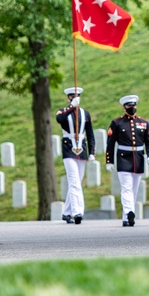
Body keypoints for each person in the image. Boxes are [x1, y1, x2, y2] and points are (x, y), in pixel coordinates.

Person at [106, 94, 149, 227]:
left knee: (134, 190)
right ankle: (129, 212)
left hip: (138, 158)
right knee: (126, 188)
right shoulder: (117, 123)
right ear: (124, 108)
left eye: (133, 105)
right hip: (123, 158)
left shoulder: (143, 123)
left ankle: (126, 218)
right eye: (129, 106)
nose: (132, 108)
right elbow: (110, 143)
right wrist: (109, 161)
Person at [56, 86, 96, 224]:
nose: (75, 97)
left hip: (82, 149)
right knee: (73, 180)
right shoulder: (63, 112)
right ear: (68, 98)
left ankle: (66, 213)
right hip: (68, 148)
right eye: (72, 96)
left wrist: (92, 151)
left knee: (77, 181)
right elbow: (59, 119)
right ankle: (77, 212)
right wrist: (71, 107)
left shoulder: (85, 114)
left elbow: (90, 134)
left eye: (77, 95)